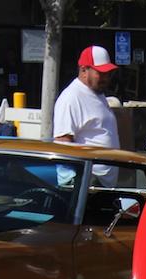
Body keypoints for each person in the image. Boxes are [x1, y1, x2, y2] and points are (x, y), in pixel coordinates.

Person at [53, 46, 120, 186]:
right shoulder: (71, 97)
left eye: (108, 73)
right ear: (84, 71)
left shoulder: (98, 94)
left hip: (103, 184)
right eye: (100, 73)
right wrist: (76, 185)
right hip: (88, 183)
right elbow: (62, 144)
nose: (106, 78)